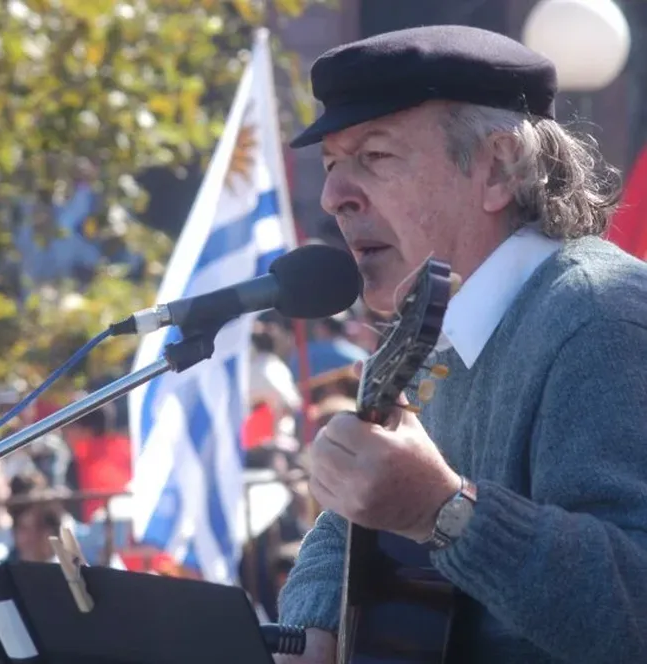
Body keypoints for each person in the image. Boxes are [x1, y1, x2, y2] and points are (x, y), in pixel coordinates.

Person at [276, 25, 647, 664]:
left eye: (376, 156)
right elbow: (345, 531)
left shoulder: (598, 314)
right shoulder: (416, 335)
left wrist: (444, 512)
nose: (335, 196)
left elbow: (634, 608)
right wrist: (312, 627)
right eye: (333, 163)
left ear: (497, 169)